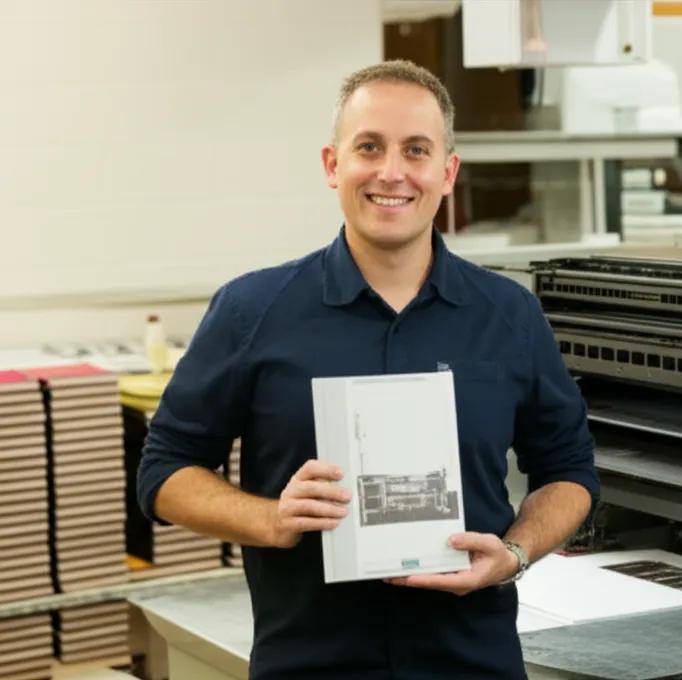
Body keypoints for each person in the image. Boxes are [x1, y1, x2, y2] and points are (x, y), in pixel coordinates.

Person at [136, 59, 599, 680]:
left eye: (416, 150)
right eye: (369, 147)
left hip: (472, 663)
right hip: (310, 666)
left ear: (447, 172)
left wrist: (513, 555)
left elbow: (568, 472)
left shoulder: (508, 314)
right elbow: (162, 471)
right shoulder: (252, 311)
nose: (392, 172)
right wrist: (269, 519)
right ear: (333, 165)